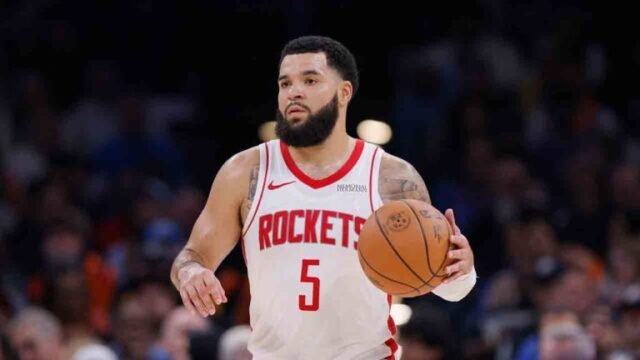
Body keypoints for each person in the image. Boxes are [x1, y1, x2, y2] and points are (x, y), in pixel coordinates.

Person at [170, 35, 477, 359]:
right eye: (285, 83)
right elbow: (191, 256)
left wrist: (461, 267)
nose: (294, 92)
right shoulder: (244, 172)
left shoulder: (391, 177)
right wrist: (191, 273)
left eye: (310, 80)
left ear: (344, 92)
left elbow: (448, 286)